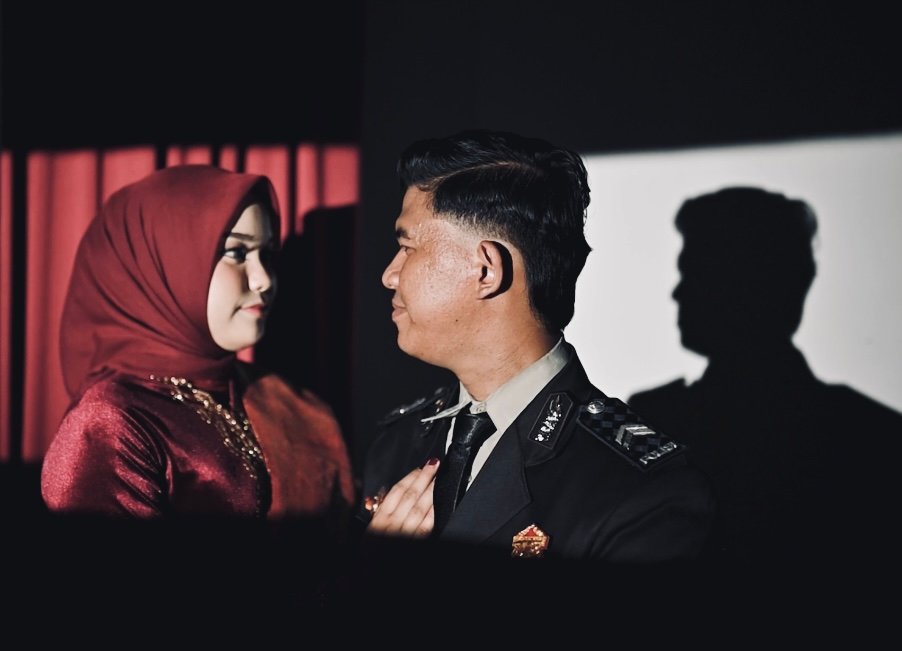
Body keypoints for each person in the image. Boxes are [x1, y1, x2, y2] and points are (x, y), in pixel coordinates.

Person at [357, 130, 714, 562]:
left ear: (486, 270)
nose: (390, 275)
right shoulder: (398, 444)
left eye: (407, 247)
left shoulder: (638, 493)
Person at [41, 165, 355, 519]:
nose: (263, 279)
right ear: (164, 262)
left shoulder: (285, 399)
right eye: (236, 253)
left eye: (266, 255)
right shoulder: (111, 423)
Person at [627, 187, 902, 564]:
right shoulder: (872, 432)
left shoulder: (652, 425)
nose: (678, 292)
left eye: (696, 273)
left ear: (745, 285)